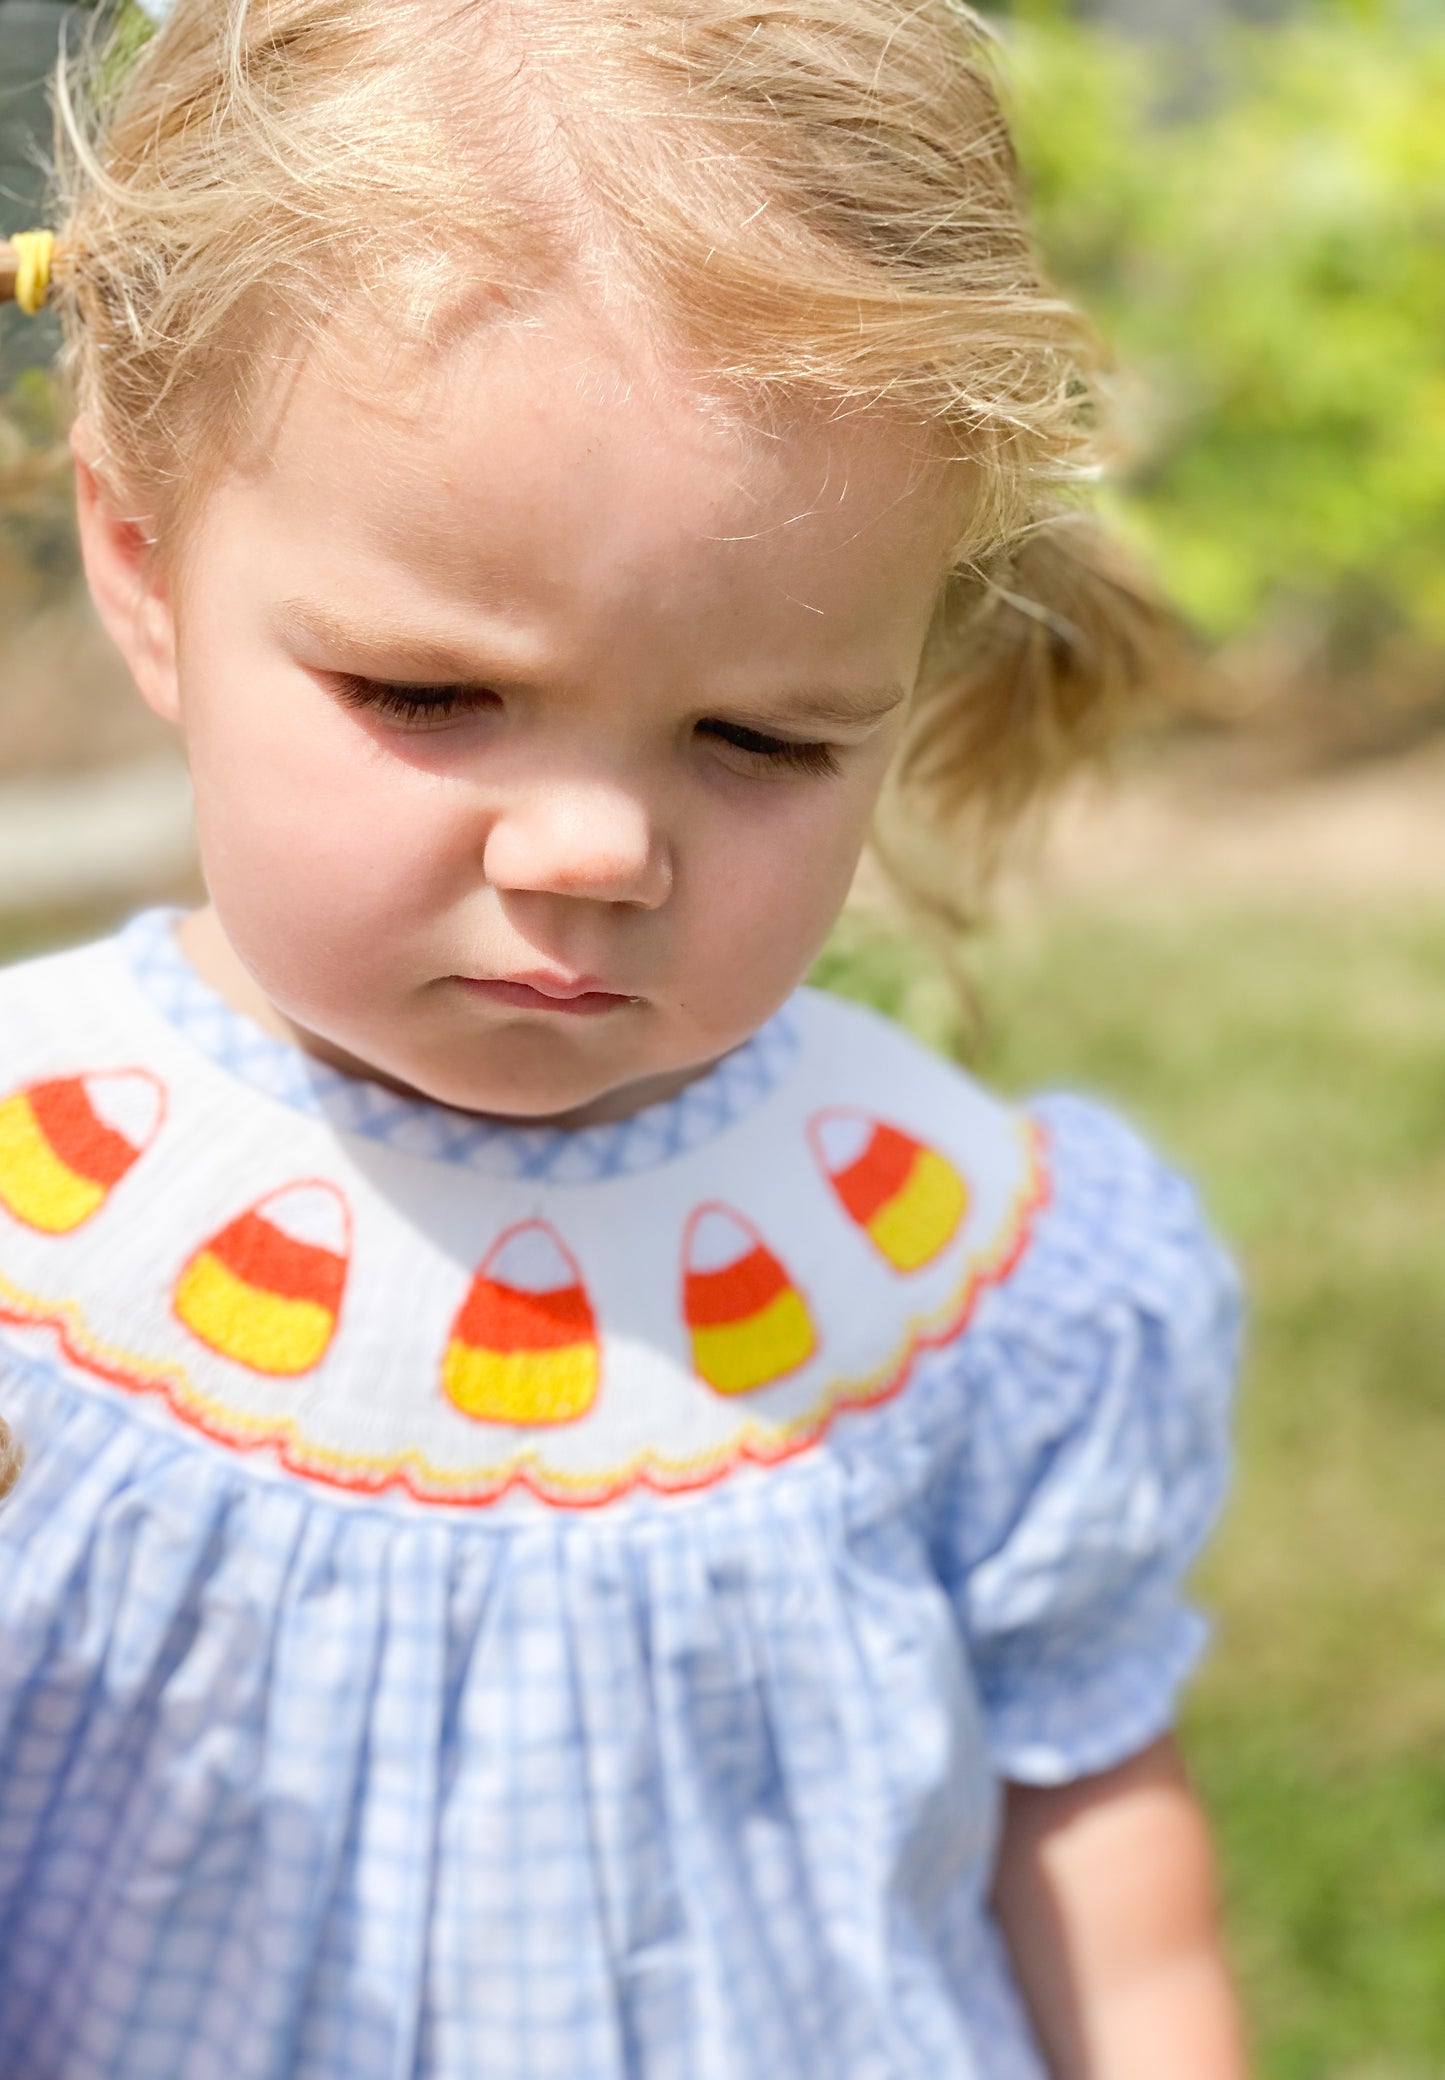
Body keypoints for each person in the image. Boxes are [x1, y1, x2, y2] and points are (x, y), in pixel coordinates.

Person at [0, 3, 1247, 2075]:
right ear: (143, 562)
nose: (592, 848)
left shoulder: (954, 1267)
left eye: (762, 737)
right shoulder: (29, 1229)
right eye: (429, 693)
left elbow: (1089, 1801)